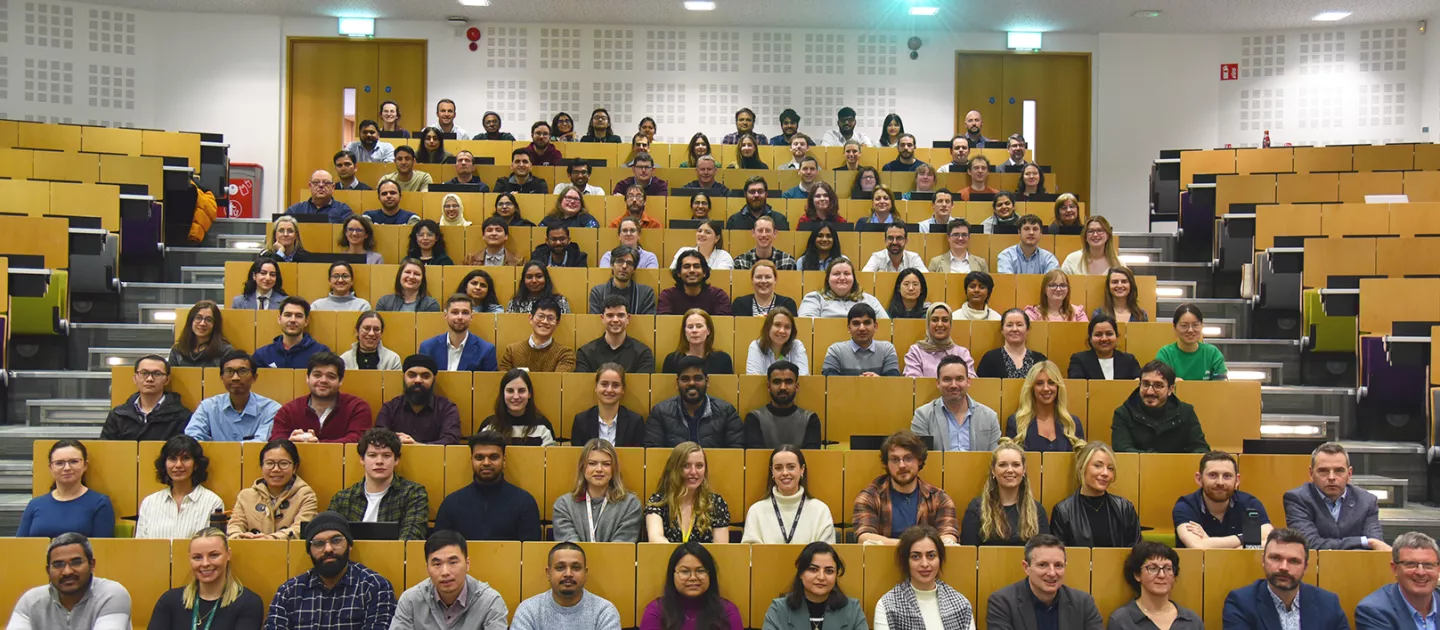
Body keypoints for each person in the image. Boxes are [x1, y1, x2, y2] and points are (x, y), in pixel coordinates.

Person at [266, 513, 397, 627]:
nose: (328, 549)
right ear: (309, 551)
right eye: (318, 543)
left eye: (336, 540)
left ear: (349, 545)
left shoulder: (374, 587)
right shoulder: (289, 592)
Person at [1221, 528, 1350, 630]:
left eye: (1294, 561)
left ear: (1305, 567)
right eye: (1275, 558)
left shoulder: (1328, 603)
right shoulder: (1241, 603)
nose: (1284, 567)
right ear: (1263, 561)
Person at [389, 530, 510, 630]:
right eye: (437, 564)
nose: (445, 572)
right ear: (427, 568)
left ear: (467, 564)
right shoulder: (410, 600)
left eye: (453, 562)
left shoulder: (490, 602)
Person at [853, 431, 959, 545]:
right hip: (882, 561)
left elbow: (949, 538)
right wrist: (912, 547)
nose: (902, 465)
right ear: (886, 464)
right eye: (895, 459)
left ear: (919, 460)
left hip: (926, 562)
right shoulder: (870, 497)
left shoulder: (939, 498)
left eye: (908, 458)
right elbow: (864, 538)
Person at [148, 528, 266, 629]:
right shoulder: (169, 601)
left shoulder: (248, 603)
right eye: (197, 557)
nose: (205, 563)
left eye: (214, 555)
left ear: (228, 555)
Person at [7, 533, 132, 629]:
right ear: (48, 571)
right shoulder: (31, 600)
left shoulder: (111, 594)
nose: (67, 572)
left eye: (76, 562)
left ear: (92, 564)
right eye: (58, 564)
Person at [434, 431, 542, 540]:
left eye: (494, 457)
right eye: (479, 457)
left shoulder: (524, 503)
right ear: (471, 459)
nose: (486, 463)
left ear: (504, 460)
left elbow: (530, 553)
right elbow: (439, 549)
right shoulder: (451, 504)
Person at [327, 427, 430, 540]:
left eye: (386, 455)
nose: (379, 461)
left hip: (395, 556)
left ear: (396, 460)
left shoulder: (413, 494)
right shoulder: (342, 498)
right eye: (372, 455)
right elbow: (329, 537)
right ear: (362, 459)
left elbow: (411, 538)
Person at [1284, 441, 1389, 550]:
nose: (1331, 477)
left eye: (1339, 471)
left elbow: (1377, 546)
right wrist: (1362, 541)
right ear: (1311, 473)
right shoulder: (1297, 499)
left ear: (1349, 473)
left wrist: (1368, 543)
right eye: (1323, 471)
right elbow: (1309, 545)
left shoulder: (1367, 501)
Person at [986, 533, 1103, 630]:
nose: (1052, 573)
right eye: (1043, 565)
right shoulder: (1002, 603)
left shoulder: (1083, 603)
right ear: (1026, 567)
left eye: (1058, 565)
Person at [872, 525, 974, 630]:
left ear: (940, 559)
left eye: (931, 556)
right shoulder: (887, 605)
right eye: (916, 557)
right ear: (906, 561)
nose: (925, 564)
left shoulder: (961, 604)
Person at [1173, 450, 1273, 549]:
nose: (1220, 482)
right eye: (1213, 475)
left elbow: (1270, 541)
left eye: (1227, 476)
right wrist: (1245, 539)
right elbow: (1197, 546)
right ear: (1199, 479)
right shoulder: (1186, 507)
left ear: (1237, 480)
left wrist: (1209, 542)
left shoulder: (1250, 504)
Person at [1049, 441, 1142, 547]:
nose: (1105, 473)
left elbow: (1137, 551)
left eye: (1110, 468)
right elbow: (1057, 555)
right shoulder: (1063, 511)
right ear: (1081, 468)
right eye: (1098, 466)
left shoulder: (1125, 508)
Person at [511, 543, 623, 630]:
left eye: (576, 567)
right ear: (548, 573)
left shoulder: (604, 612)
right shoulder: (528, 610)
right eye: (560, 567)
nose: (568, 574)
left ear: (585, 573)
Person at [17, 439, 115, 538]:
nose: (67, 468)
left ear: (85, 465)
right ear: (51, 468)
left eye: (74, 462)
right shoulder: (35, 504)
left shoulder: (100, 503)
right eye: (59, 463)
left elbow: (102, 549)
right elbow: (20, 546)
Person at [760, 541, 867, 630]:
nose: (821, 577)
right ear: (801, 573)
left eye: (829, 571)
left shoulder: (853, 610)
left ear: (836, 576)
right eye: (813, 569)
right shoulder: (779, 610)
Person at [551, 440, 643, 543]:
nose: (599, 469)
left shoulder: (630, 505)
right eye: (592, 463)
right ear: (583, 467)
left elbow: (620, 549)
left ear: (614, 469)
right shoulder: (564, 505)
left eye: (606, 464)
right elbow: (571, 551)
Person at [270, 352, 373, 443]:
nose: (323, 380)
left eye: (331, 376)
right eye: (317, 375)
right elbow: (275, 442)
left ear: (340, 381)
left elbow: (356, 441)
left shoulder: (357, 408)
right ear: (307, 378)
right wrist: (289, 444)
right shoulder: (288, 410)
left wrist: (317, 445)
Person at [134, 435, 225, 539]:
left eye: (185, 458)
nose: (178, 465)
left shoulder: (213, 502)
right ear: (165, 464)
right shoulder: (149, 503)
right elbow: (141, 547)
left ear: (196, 464)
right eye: (172, 459)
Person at [741, 445, 835, 545]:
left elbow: (826, 555)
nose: (785, 473)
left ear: (802, 469)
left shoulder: (820, 510)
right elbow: (750, 554)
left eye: (791, 467)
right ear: (772, 471)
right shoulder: (756, 511)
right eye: (778, 468)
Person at [226, 439, 317, 540]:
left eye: (283, 463)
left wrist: (271, 540)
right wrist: (240, 537)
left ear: (295, 467)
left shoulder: (306, 495)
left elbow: (300, 529)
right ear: (262, 466)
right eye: (269, 463)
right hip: (250, 550)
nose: (276, 469)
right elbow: (234, 526)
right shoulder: (246, 496)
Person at [1112, 360, 1211, 453]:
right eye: (1145, 384)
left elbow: (1200, 448)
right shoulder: (1124, 413)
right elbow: (1123, 450)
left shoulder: (1186, 412)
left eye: (1158, 385)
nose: (1150, 392)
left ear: (1170, 390)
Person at [961, 441, 1048, 546]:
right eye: (1002, 465)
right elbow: (970, 552)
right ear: (993, 470)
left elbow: (1044, 552)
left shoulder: (1037, 510)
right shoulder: (976, 508)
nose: (1010, 470)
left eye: (1016, 465)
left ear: (1023, 470)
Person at [645, 356, 744, 448]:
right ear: (677, 383)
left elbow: (735, 454)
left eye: (697, 378)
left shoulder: (727, 412)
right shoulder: (660, 413)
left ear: (707, 381)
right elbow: (654, 454)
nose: (692, 383)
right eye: (685, 379)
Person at [639, 542, 743, 630]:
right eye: (685, 571)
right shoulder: (656, 611)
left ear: (710, 574)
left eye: (700, 571)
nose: (693, 577)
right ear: (672, 574)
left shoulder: (727, 611)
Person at [643, 443, 733, 543]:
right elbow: (656, 539)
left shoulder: (715, 503)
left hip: (705, 559)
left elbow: (720, 548)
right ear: (674, 468)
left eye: (699, 466)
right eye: (686, 466)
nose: (693, 472)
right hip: (667, 558)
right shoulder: (659, 502)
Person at [911, 355, 1001, 452]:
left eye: (959, 379)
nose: (953, 385)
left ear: (968, 381)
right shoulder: (923, 416)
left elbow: (995, 458)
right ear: (938, 383)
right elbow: (921, 458)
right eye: (947, 379)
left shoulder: (989, 417)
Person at [184, 350, 280, 442]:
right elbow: (192, 438)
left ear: (254, 377)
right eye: (229, 371)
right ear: (222, 378)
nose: (235, 378)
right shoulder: (208, 407)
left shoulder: (271, 409)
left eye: (242, 371)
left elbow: (260, 444)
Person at [1106, 541, 1203, 630]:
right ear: (1137, 574)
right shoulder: (1121, 620)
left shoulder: (1192, 621)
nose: (1161, 575)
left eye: (1168, 568)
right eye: (1153, 568)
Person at [1355, 531, 1440, 630]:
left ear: (1438, 569)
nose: (1420, 572)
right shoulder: (1373, 610)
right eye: (1411, 564)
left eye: (1428, 565)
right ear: (1394, 568)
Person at [372, 354, 462, 446]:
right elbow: (379, 438)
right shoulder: (390, 408)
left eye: (425, 376)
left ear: (433, 380)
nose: (418, 380)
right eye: (412, 375)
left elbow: (451, 441)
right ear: (404, 377)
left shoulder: (447, 408)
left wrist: (417, 446)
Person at [100, 355, 192, 441]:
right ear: (135, 378)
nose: (149, 379)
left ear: (167, 380)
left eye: (157, 374)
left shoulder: (182, 416)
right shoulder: (118, 415)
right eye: (144, 373)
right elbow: (107, 447)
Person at [1006, 361, 1087, 453]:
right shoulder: (1016, 422)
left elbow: (1081, 462)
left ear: (1058, 387)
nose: (1046, 388)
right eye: (1039, 383)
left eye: (1051, 383)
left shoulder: (1072, 423)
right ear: (1032, 388)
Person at [744, 362, 822, 449]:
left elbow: (811, 456)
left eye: (788, 382)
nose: (783, 387)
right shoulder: (754, 418)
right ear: (769, 387)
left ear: (796, 386)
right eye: (777, 382)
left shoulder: (810, 419)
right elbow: (755, 456)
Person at [418, 294, 499, 371]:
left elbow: (488, 384)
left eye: (465, 313)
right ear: (446, 315)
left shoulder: (486, 350)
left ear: (471, 316)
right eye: (455, 312)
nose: (460, 317)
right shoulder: (428, 347)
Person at [478, 368, 557, 445]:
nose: (516, 396)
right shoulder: (489, 426)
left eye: (521, 391)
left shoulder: (543, 426)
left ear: (529, 394)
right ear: (503, 394)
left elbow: (551, 457)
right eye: (510, 391)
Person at [576, 296, 656, 372]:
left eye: (620, 315)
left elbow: (643, 385)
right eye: (610, 315)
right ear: (602, 318)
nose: (615, 320)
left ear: (628, 318)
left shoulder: (643, 354)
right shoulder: (585, 353)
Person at [498, 298, 576, 372]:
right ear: (530, 318)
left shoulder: (565, 354)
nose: (545, 321)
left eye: (550, 318)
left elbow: (557, 382)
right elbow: (505, 381)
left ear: (557, 323)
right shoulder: (511, 351)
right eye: (541, 316)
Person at [821, 303, 900, 376]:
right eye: (856, 323)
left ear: (875, 327)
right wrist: (858, 383)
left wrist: (877, 381)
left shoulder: (887, 349)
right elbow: (828, 383)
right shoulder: (835, 350)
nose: (862, 328)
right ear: (849, 328)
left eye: (867, 323)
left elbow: (894, 382)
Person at [253, 297, 332, 369]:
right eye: (288, 315)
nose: (293, 320)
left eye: (298, 316)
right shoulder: (262, 355)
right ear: (279, 319)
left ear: (306, 321)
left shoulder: (322, 353)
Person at [1155, 303, 1228, 381]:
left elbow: (1221, 385)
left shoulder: (1213, 353)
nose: (1190, 330)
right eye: (1184, 325)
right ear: (1174, 327)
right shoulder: (1165, 354)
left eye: (1195, 325)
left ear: (1202, 326)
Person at [799, 258, 888, 318]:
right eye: (836, 274)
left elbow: (885, 326)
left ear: (853, 278)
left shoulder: (869, 300)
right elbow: (807, 326)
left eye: (846, 274)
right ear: (828, 279)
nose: (842, 278)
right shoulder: (814, 298)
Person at [903, 303, 976, 378]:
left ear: (950, 323)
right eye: (935, 320)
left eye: (945, 320)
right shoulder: (916, 352)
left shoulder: (962, 353)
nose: (940, 324)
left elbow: (971, 383)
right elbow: (914, 384)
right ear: (928, 323)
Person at [976, 309, 1049, 378]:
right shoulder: (990, 358)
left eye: (1019, 325)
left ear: (1027, 330)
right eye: (1009, 325)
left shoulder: (1040, 360)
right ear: (1002, 330)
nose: (1014, 329)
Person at [1068, 314, 1142, 380]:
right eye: (1098, 334)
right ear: (1090, 338)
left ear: (1116, 336)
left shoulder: (1129, 360)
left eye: (1109, 334)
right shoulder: (1079, 360)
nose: (1104, 339)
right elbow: (1078, 388)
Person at [661, 309, 734, 374]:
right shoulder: (672, 360)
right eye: (690, 327)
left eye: (699, 326)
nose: (694, 330)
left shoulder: (722, 360)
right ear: (685, 332)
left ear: (708, 330)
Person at [660, 250, 733, 315]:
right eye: (686, 266)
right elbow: (665, 324)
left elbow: (723, 324)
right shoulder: (667, 296)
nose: (691, 270)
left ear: (704, 272)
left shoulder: (719, 296)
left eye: (696, 266)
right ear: (679, 273)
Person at [169, 300, 233, 367]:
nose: (202, 323)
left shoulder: (225, 351)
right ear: (191, 321)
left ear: (215, 324)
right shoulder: (177, 350)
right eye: (198, 318)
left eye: (208, 320)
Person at [745, 306, 808, 374]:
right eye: (777, 325)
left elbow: (802, 378)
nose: (782, 331)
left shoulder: (797, 346)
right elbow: (754, 379)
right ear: (768, 327)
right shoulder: (756, 346)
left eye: (787, 327)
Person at [340, 310, 405, 370]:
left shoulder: (392, 359)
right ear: (357, 331)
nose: (371, 333)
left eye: (376, 329)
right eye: (366, 328)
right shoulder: (344, 359)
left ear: (381, 333)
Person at [734, 260, 799, 318]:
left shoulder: (787, 304)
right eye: (758, 277)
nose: (763, 281)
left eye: (768, 277)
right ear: (752, 280)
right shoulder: (740, 304)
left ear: (775, 280)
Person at [286, 169, 354, 223]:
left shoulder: (343, 210)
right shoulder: (295, 210)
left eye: (326, 183)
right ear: (310, 186)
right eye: (316, 182)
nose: (321, 185)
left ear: (333, 187)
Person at [733, 215, 798, 271]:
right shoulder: (740, 262)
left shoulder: (788, 262)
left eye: (768, 230)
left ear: (775, 233)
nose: (764, 234)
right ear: (753, 233)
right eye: (760, 230)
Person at [375, 258, 442, 312]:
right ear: (399, 276)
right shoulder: (384, 302)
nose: (411, 277)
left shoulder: (431, 305)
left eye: (416, 274)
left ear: (422, 280)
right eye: (407, 272)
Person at [726, 175, 790, 230]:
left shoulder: (780, 220)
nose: (756, 195)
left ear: (766, 194)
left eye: (760, 191)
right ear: (745, 194)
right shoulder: (734, 221)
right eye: (752, 191)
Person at [668, 218, 734, 271]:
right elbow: (672, 272)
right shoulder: (683, 251)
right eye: (699, 231)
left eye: (707, 232)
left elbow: (722, 279)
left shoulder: (724, 256)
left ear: (717, 238)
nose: (701, 234)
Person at [509, 261, 575, 313]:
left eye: (539, 276)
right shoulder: (515, 303)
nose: (534, 281)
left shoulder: (560, 302)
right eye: (529, 277)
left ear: (546, 279)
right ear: (523, 280)